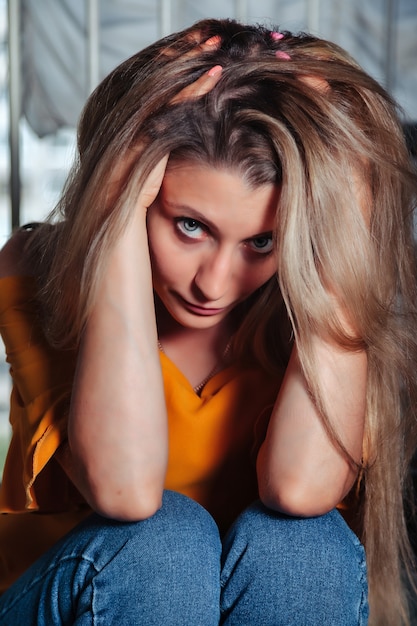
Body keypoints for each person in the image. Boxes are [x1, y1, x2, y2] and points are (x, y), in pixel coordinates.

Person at [0, 17, 415, 625]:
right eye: (189, 226)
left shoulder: (311, 304)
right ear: (135, 191)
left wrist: (342, 233)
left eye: (262, 241)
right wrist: (113, 224)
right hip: (62, 603)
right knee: (163, 540)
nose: (214, 283)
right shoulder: (38, 271)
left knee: (304, 546)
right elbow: (125, 492)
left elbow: (300, 490)